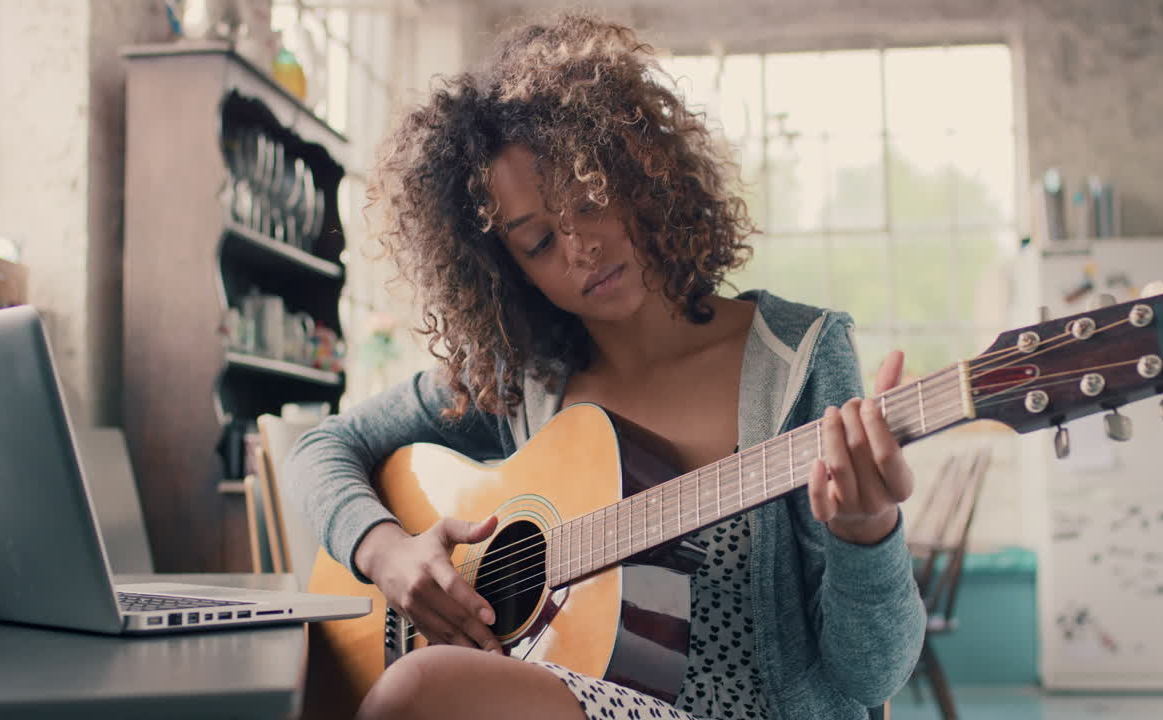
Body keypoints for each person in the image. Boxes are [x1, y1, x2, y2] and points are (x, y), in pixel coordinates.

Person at [284, 12, 925, 720]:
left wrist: (867, 533)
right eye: (538, 241)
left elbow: (869, 678)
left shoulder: (797, 361)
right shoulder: (523, 378)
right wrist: (386, 553)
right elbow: (325, 447)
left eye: (589, 202)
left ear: (643, 177)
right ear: (508, 273)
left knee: (417, 690)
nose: (580, 247)